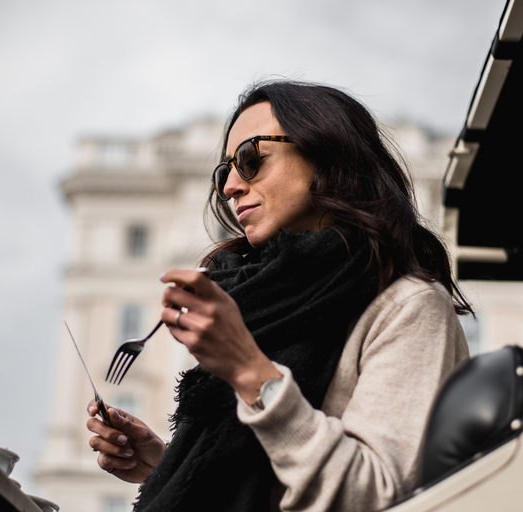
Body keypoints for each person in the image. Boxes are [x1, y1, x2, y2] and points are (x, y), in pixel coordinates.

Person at [86, 79, 472, 512]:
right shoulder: (260, 297)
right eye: (224, 171)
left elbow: (376, 496)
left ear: (326, 155)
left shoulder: (409, 306)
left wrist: (248, 369)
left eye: (250, 159)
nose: (231, 185)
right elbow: (268, 488)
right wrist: (165, 466)